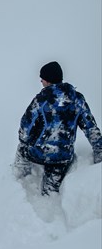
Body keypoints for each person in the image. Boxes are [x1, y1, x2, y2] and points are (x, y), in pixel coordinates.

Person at [14, 61, 102, 195]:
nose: (41, 81)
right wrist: (99, 151)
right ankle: (50, 193)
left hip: (38, 153)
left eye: (42, 78)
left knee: (22, 148)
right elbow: (91, 128)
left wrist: (25, 141)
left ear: (48, 80)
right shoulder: (77, 99)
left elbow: (25, 126)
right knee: (51, 188)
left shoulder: (41, 100)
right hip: (63, 156)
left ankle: (19, 177)